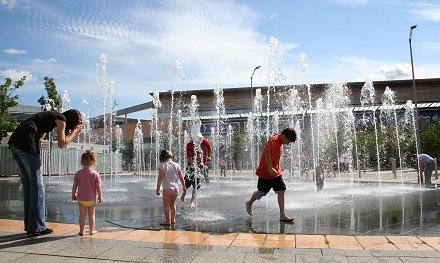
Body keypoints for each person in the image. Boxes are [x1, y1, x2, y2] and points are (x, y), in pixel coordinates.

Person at [8, 109, 83, 237]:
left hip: (15, 143)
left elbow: (40, 133)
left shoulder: (51, 116)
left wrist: (39, 143)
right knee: (38, 187)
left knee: (29, 186)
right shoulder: (62, 120)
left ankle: (31, 226)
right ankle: (37, 227)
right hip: (26, 143)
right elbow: (62, 143)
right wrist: (75, 132)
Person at [245, 128, 297, 222]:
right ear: (284, 136)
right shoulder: (274, 140)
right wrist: (270, 168)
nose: (288, 143)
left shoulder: (281, 141)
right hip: (265, 172)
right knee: (262, 192)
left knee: (281, 190)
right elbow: (267, 152)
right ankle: (249, 202)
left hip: (276, 173)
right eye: (288, 141)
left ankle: (282, 215)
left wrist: (274, 168)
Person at [71, 150, 102, 236]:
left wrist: (73, 194)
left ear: (81, 162)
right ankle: (92, 231)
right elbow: (98, 186)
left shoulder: (78, 173)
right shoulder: (95, 174)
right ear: (93, 162)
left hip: (81, 198)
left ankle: (81, 231)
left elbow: (75, 185)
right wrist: (100, 195)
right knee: (91, 215)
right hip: (91, 198)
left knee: (82, 215)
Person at [156, 149, 186, 225]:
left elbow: (160, 177)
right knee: (173, 205)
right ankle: (173, 220)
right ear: (171, 156)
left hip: (167, 188)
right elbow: (181, 177)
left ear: (162, 157)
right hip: (176, 189)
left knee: (166, 205)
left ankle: (167, 221)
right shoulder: (176, 165)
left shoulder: (162, 165)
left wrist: (158, 188)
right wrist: (184, 187)